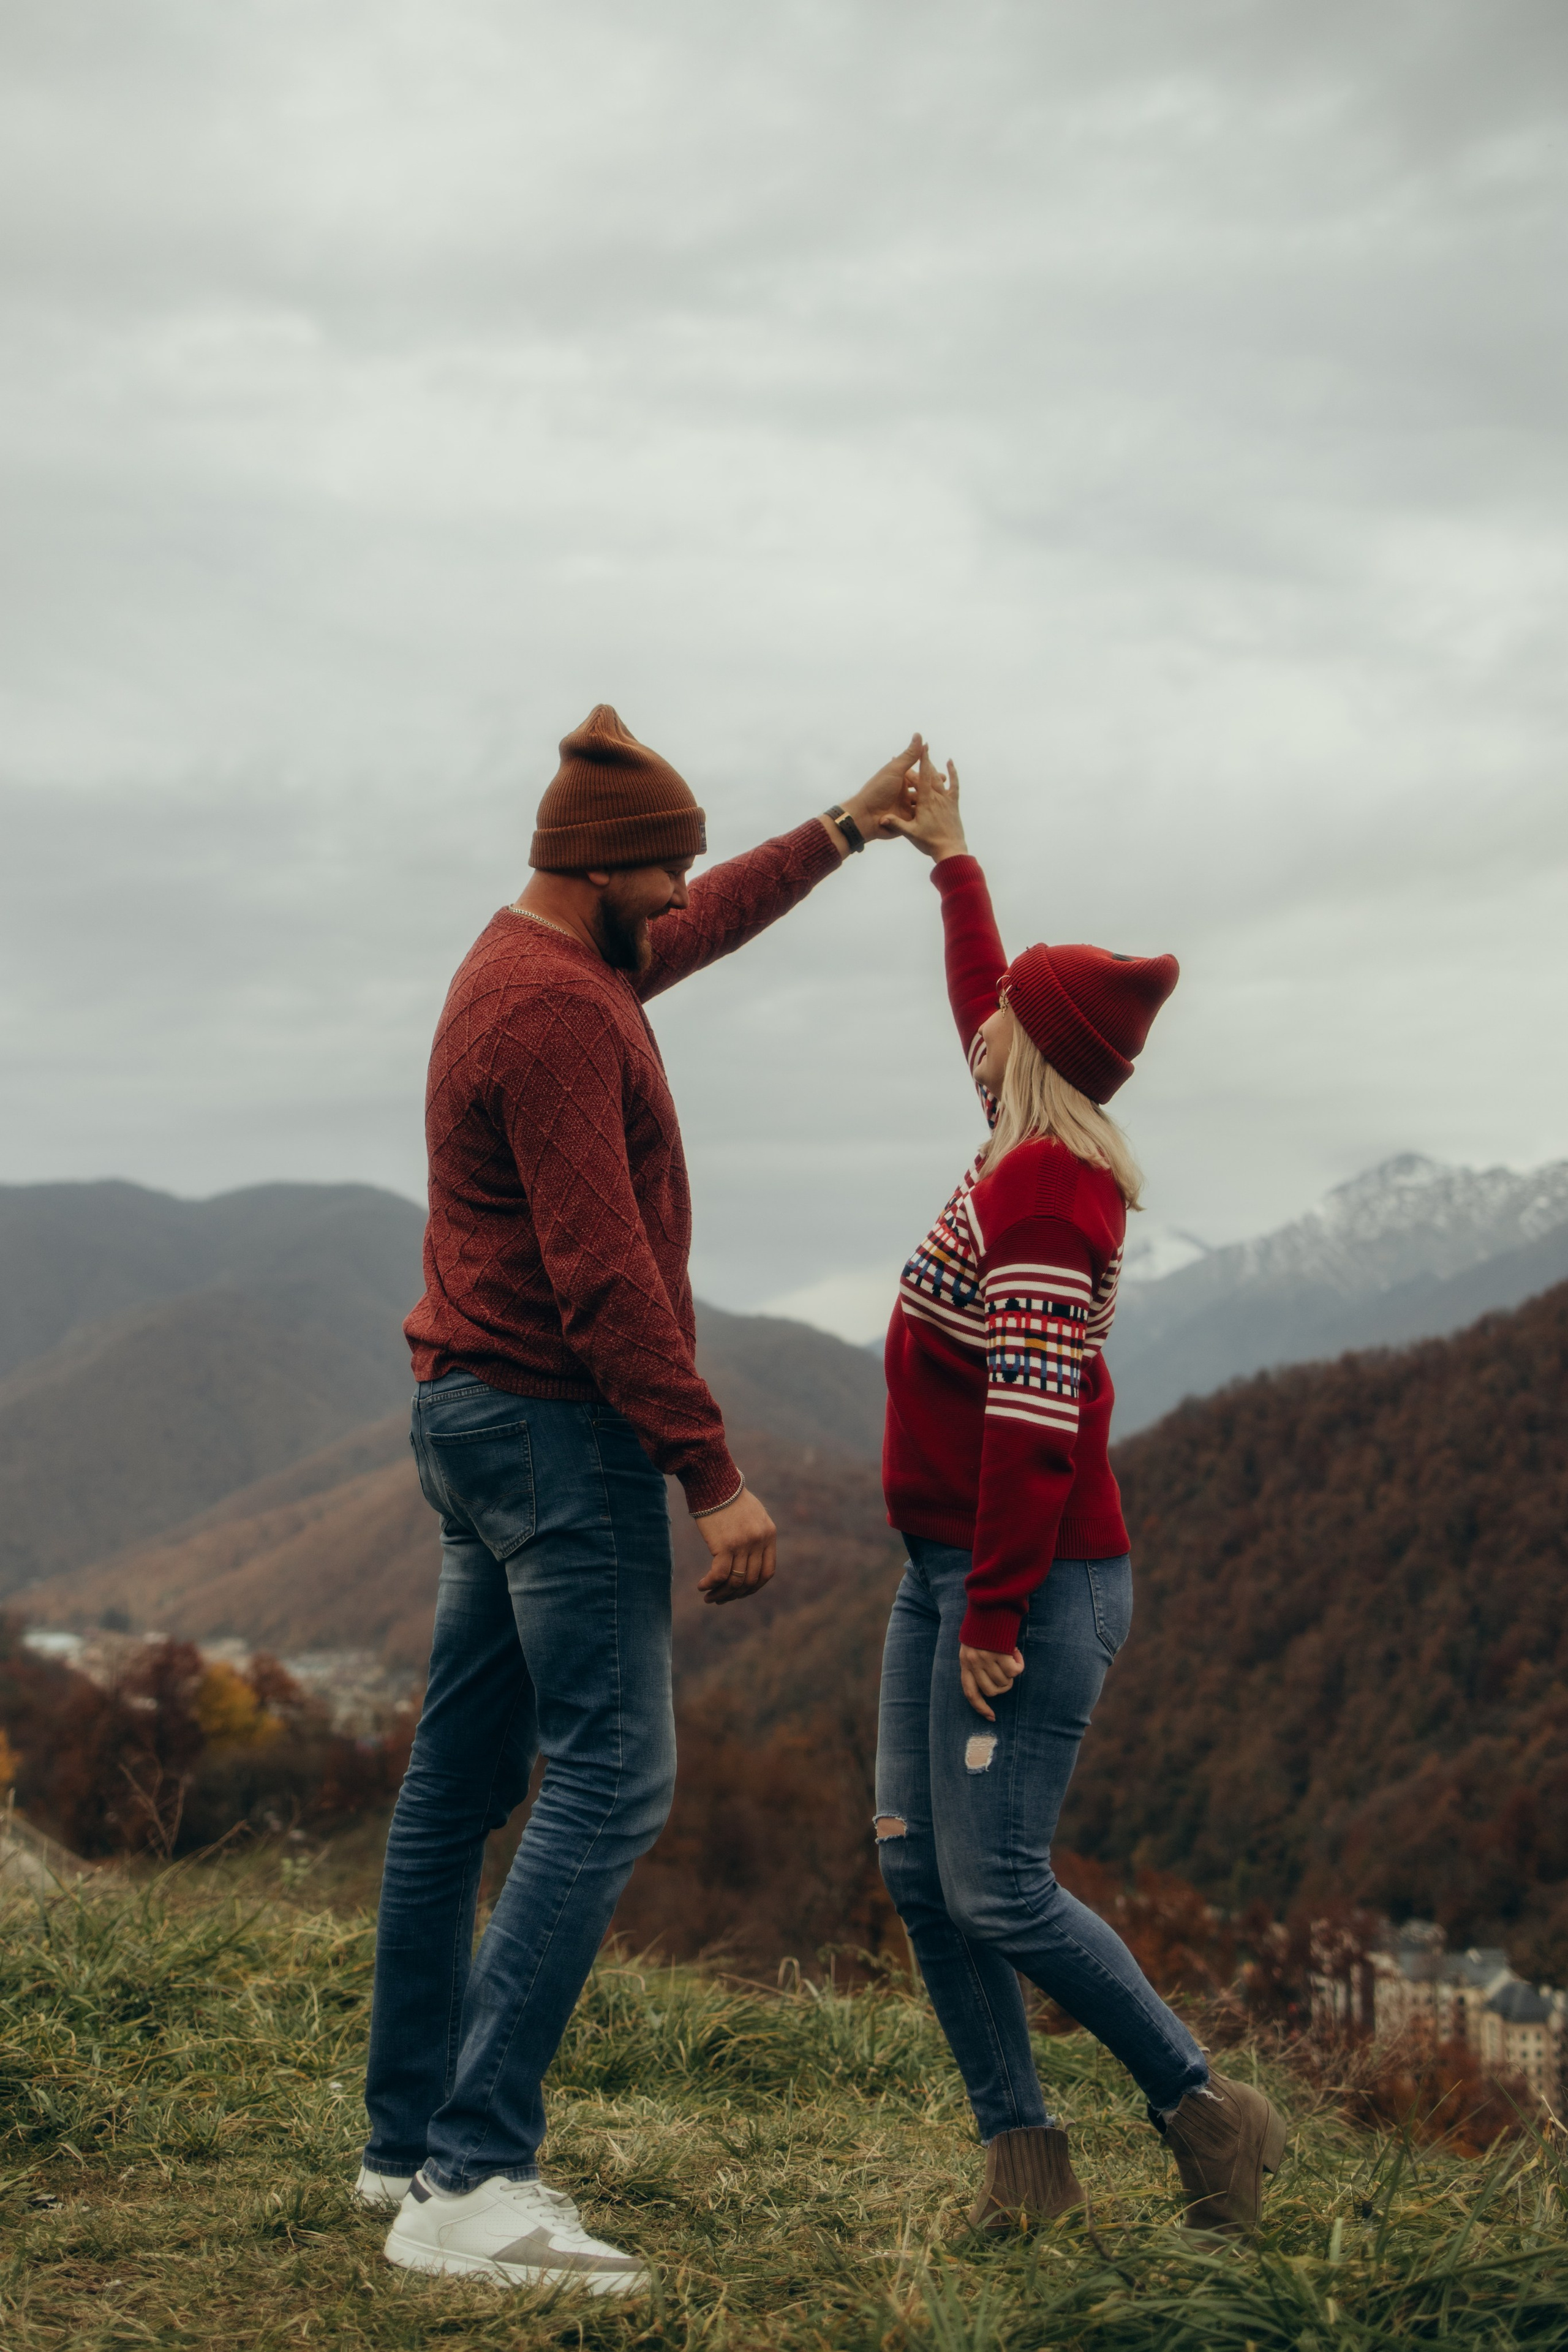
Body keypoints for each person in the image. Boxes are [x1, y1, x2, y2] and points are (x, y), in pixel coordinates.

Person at [362, 705, 922, 2293]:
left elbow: (710, 910)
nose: (682, 896)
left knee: (456, 1788)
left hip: (470, 1423)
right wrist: (714, 1474)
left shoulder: (549, 958)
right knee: (613, 1780)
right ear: (602, 869)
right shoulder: (552, 1016)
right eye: (663, 871)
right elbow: (606, 1278)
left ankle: (402, 2147)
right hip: (559, 1431)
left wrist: (847, 826)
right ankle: (473, 2181)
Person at [874, 755, 1286, 2237]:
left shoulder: (1047, 1195)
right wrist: (952, 858)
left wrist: (990, 1610)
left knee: (994, 1889)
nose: (976, 1031)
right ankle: (1023, 2168)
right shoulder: (1018, 1135)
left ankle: (1207, 2113)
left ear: (1030, 1057)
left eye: (1000, 1027)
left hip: (1024, 1578)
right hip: (950, 1566)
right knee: (919, 1870)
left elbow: (1032, 1429)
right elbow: (985, 995)